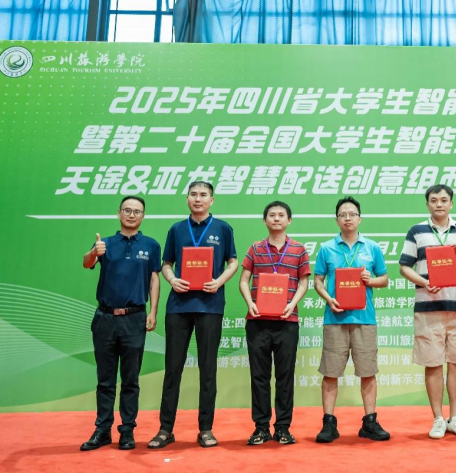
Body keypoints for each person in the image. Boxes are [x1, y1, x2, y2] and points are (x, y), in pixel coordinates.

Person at [148, 181, 238, 449]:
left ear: (212, 200)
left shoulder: (223, 228)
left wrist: (219, 281)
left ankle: (206, 429)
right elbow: (166, 264)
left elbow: (233, 262)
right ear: (187, 198)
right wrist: (172, 279)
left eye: (203, 195)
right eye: (193, 194)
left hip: (211, 306)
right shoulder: (176, 229)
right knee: (173, 369)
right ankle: (165, 429)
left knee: (208, 369)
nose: (198, 199)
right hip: (179, 307)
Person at [398, 184, 456, 439]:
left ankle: (455, 417)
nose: (439, 204)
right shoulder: (416, 231)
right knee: (432, 363)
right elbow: (404, 266)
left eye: (444, 200)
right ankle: (437, 418)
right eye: (434, 200)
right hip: (428, 307)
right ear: (427, 204)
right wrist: (424, 282)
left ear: (451, 204)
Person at [80, 196, 161, 451]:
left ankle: (127, 431)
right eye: (127, 210)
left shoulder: (151, 245)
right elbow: (87, 263)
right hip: (105, 318)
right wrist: (94, 252)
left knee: (130, 380)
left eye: (137, 211)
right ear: (119, 213)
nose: (132, 214)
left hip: (134, 318)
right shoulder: (105, 243)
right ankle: (102, 430)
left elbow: (154, 279)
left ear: (143, 216)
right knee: (105, 380)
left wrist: (153, 311)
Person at [313, 197, 391, 443]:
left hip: (364, 319)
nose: (347, 218)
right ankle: (328, 423)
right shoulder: (326, 248)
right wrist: (328, 299)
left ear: (360, 218)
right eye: (343, 214)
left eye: (352, 214)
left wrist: (371, 280)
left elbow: (384, 279)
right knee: (330, 373)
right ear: (336, 220)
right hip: (334, 318)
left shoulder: (372, 247)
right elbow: (318, 281)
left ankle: (370, 422)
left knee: (368, 372)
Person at [238, 201, 310, 445]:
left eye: (281, 215)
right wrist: (250, 303)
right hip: (257, 321)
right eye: (272, 215)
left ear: (289, 220)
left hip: (287, 321)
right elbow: (244, 279)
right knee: (259, 377)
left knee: (284, 376)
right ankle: (260, 428)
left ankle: (283, 428)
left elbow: (304, 282)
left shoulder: (299, 249)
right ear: (265, 220)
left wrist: (292, 304)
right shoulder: (255, 248)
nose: (276, 218)